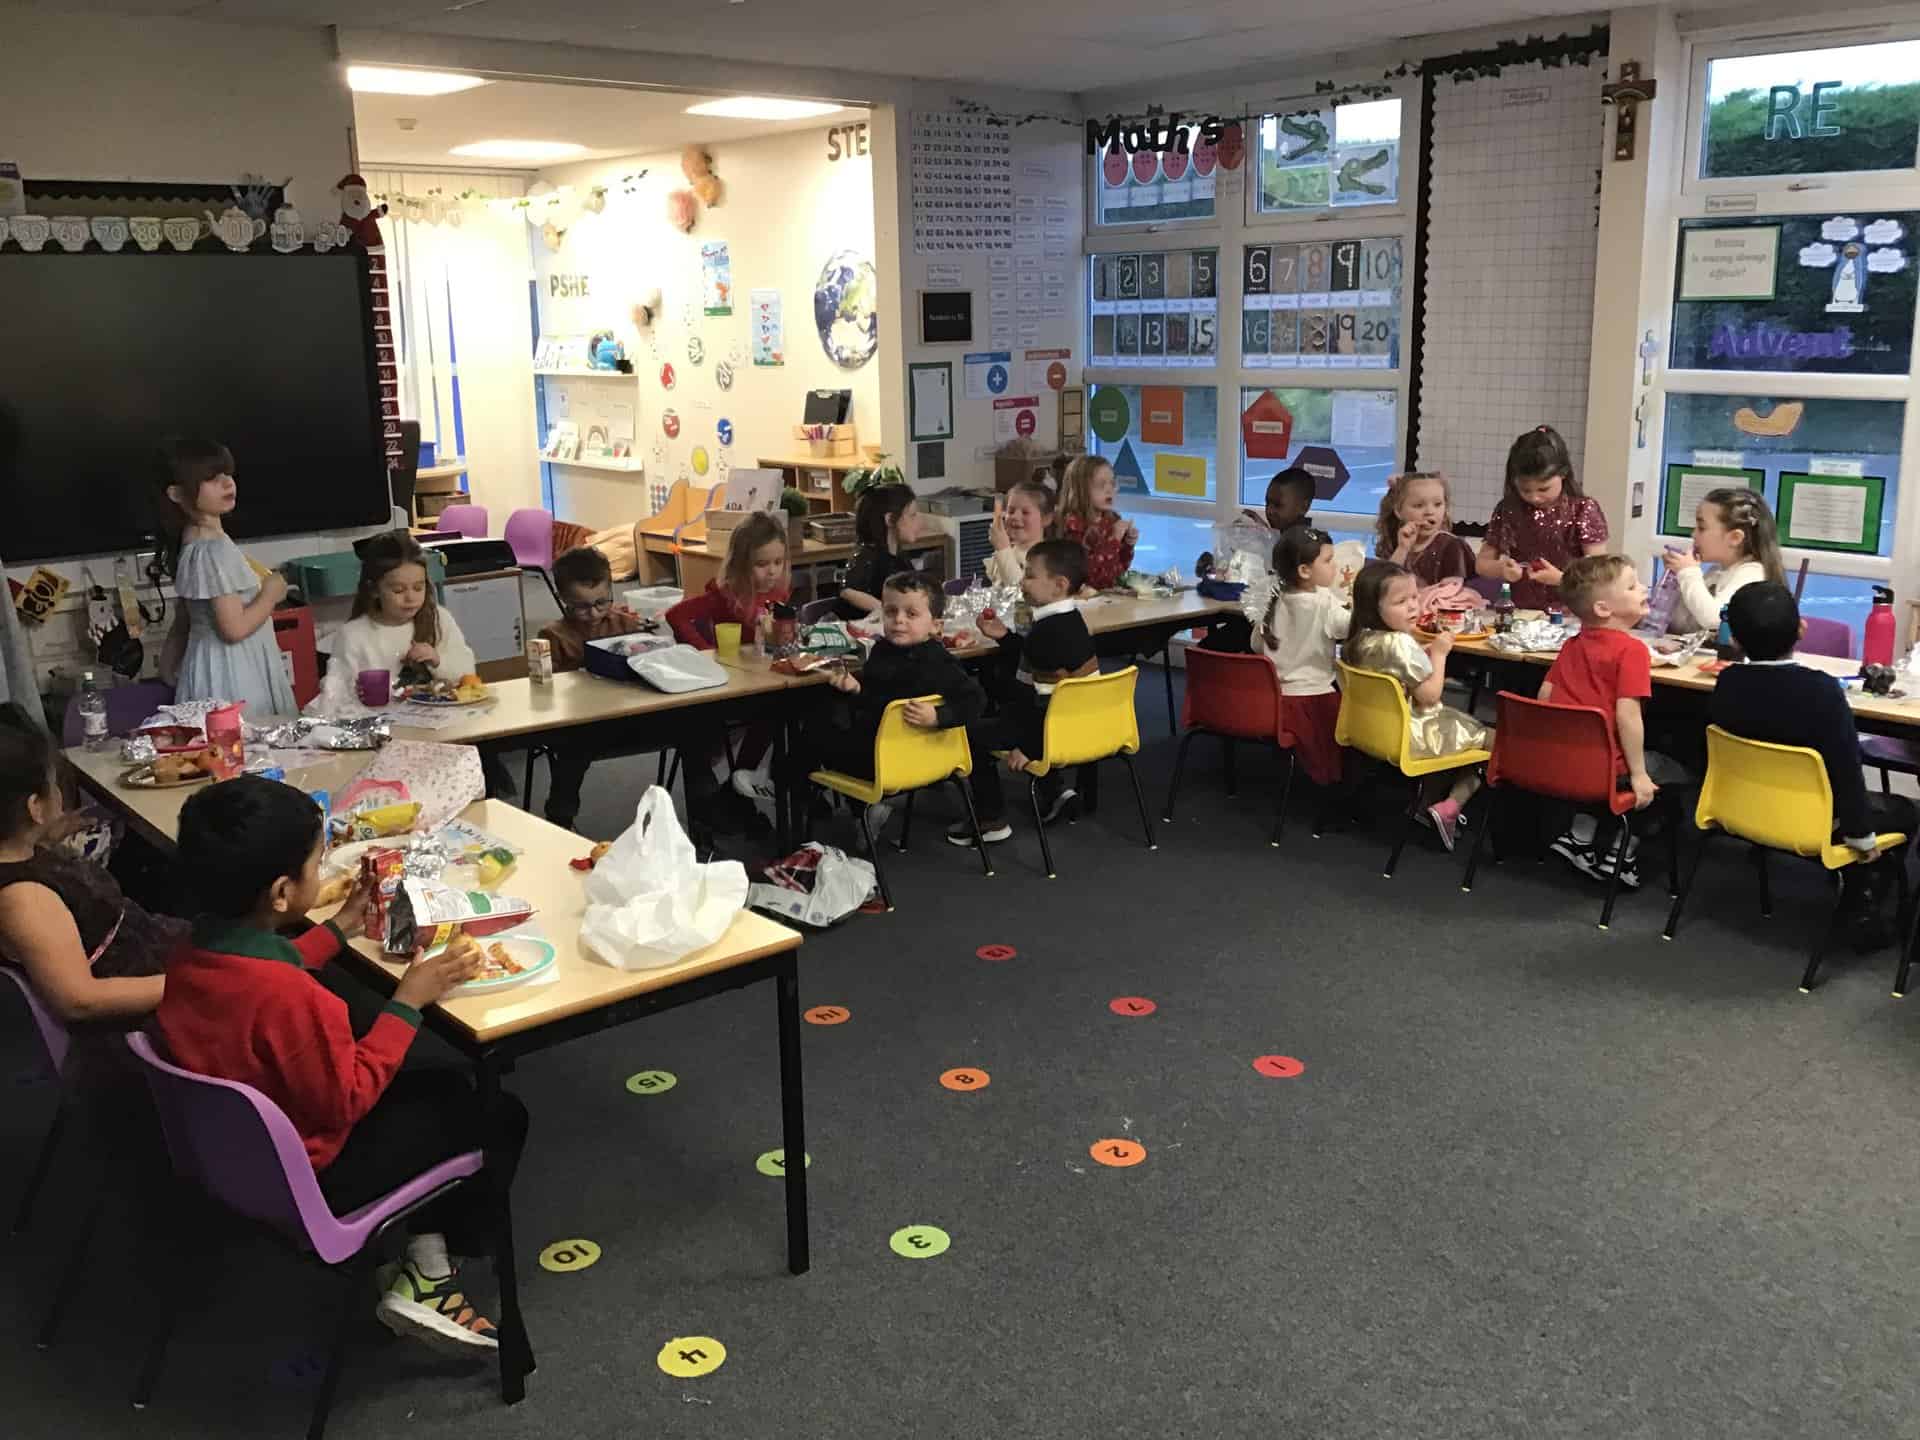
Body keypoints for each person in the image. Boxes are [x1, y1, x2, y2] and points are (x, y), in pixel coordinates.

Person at [155, 776, 524, 1353]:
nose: (320, 870)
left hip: (231, 1154)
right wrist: (407, 1002)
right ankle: (431, 1275)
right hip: (311, 1177)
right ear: (283, 892)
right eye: (316, 863)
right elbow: (348, 1098)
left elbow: (273, 965)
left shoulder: (192, 952)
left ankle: (421, 1247)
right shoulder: (293, 1001)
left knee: (439, 1083)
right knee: (496, 1111)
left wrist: (340, 927)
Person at [1711, 582, 1914, 951]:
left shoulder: (1727, 682)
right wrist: (1862, 837)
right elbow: (1846, 769)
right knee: (1904, 810)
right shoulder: (1821, 691)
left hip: (1744, 808)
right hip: (1818, 820)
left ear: (1734, 640)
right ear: (1802, 629)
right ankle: (1861, 903)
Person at [0, 703, 186, 1076]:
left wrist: (46, 836)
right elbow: (79, 1000)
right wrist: (194, 985)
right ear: (35, 806)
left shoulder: (21, 851)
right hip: (135, 1023)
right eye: (52, 784)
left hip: (151, 952)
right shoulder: (22, 898)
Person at [1538, 556, 1691, 888]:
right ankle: (1622, 855)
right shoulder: (1632, 651)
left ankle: (1580, 836)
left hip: (1565, 761)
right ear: (1604, 608)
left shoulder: (1571, 645)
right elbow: (1628, 716)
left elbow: (1545, 696)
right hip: (1609, 767)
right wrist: (1638, 775)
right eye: (1633, 586)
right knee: (1675, 771)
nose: (1644, 588)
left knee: (1623, 762)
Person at [797, 573, 985, 833]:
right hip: (904, 755)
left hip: (888, 760)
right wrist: (857, 688)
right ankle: (854, 810)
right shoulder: (883, 651)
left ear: (936, 626)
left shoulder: (938, 662)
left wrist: (938, 716)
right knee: (824, 719)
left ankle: (790, 797)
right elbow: (878, 700)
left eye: (911, 614)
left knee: (812, 730)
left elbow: (976, 700)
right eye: (890, 611)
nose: (898, 620)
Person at [954, 539, 1097, 846]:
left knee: (970, 735)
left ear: (1059, 585)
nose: (1022, 581)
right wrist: (1005, 637)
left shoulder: (1044, 634)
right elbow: (1040, 664)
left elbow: (1036, 704)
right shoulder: (1071, 621)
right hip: (1082, 724)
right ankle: (1055, 791)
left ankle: (991, 819)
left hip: (1053, 729)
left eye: (1030, 575)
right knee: (1009, 710)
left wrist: (1030, 749)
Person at [1346, 560, 1490, 850]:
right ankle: (1450, 806)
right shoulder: (1400, 643)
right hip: (1412, 735)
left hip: (1376, 730)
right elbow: (1430, 696)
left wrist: (1422, 653)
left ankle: (1426, 805)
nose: (1412, 606)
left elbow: (1394, 668)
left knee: (1457, 727)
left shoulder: (1360, 638)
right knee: (1496, 741)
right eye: (1401, 601)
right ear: (1374, 607)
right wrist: (1439, 654)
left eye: (1414, 597)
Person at [155, 436, 296, 720]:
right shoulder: (213, 549)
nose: (227, 483)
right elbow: (234, 629)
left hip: (209, 669)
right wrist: (271, 593)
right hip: (234, 673)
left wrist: (170, 668)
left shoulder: (192, 541)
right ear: (177, 494)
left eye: (227, 474)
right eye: (211, 478)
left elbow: (185, 618)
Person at [537, 546, 650, 831]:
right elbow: (545, 691)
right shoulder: (552, 635)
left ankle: (705, 815)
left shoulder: (626, 624)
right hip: (584, 724)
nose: (594, 612)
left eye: (602, 602)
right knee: (572, 753)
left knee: (693, 725)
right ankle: (560, 820)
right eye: (582, 606)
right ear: (563, 600)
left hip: (630, 716)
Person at [319, 530, 477, 711]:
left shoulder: (439, 619)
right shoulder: (353, 635)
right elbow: (335, 695)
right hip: (379, 723)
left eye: (418, 588)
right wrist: (355, 692)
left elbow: (468, 673)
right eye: (398, 590)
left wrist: (437, 660)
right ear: (374, 589)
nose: (410, 598)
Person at [1253, 526, 1351, 788]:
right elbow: (1350, 627)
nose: (1335, 566)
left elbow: (1256, 645)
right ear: (1305, 570)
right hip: (1314, 703)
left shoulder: (1273, 597)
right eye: (1328, 561)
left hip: (1273, 701)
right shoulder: (1323, 603)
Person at [1476, 425, 1609, 611]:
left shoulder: (1583, 508)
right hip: (1522, 612)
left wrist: (1561, 579)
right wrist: (1502, 569)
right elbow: (1482, 564)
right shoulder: (1509, 509)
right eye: (1525, 490)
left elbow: (1599, 573)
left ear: (1563, 473)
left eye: (1543, 489)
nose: (1534, 497)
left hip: (1570, 612)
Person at [1662, 487, 1785, 634]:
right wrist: (1676, 581)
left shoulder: (1752, 575)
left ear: (1735, 538)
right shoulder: (1716, 572)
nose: (1693, 534)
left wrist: (1688, 573)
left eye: (1701, 527)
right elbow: (1682, 623)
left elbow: (1715, 619)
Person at [666, 513, 791, 647]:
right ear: (740, 563)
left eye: (778, 562)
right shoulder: (725, 595)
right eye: (761, 564)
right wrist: (704, 651)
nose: (772, 571)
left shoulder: (779, 594)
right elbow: (675, 615)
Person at [837, 484, 923, 620]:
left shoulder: (899, 557)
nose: (919, 522)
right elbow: (847, 592)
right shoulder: (867, 554)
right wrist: (888, 610)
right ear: (889, 519)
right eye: (912, 515)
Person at [1376, 471, 1474, 586]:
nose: (1430, 512)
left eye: (1437, 504)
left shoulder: (1452, 546)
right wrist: (1402, 549)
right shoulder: (1397, 542)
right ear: (1398, 511)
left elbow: (1451, 590)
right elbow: (1385, 587)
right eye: (1419, 505)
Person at [1057, 455, 1137, 592]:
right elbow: (1089, 576)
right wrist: (1114, 539)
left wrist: (1128, 544)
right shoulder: (1073, 525)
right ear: (1081, 490)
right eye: (1101, 485)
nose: (1109, 490)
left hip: (1110, 595)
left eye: (1112, 483)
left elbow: (1120, 568)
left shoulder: (1112, 519)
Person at [985, 479, 1055, 587]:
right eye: (1011, 511)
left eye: (1025, 512)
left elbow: (1022, 592)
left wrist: (1003, 549)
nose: (1015, 516)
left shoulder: (1047, 560)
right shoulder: (1008, 550)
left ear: (1046, 519)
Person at [1247, 465, 1317, 534]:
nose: (1269, 511)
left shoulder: (1302, 540)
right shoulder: (1291, 534)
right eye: (1267, 503)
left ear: (1304, 507)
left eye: (1278, 505)